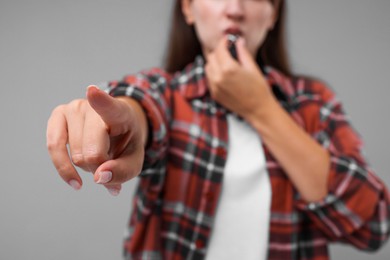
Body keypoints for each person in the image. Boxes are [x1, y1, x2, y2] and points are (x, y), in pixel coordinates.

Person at [46, 0, 390, 259]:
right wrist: (120, 120)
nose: (235, 9)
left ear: (273, 13)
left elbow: (373, 225)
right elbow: (141, 103)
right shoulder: (167, 93)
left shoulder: (314, 103)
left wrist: (262, 108)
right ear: (189, 8)